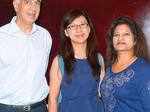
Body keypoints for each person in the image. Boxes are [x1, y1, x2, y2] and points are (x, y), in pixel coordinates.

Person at [0, 0, 52, 112]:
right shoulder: (2, 36)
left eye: (37, 2)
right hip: (6, 108)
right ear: (16, 5)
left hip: (39, 108)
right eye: (28, 2)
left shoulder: (45, 36)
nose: (33, 7)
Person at [49, 9, 104, 112]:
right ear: (66, 32)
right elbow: (53, 99)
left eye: (83, 24)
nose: (79, 29)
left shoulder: (98, 59)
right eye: (73, 26)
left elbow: (102, 93)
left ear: (89, 29)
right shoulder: (59, 61)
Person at [100, 16, 150, 112]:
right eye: (116, 35)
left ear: (135, 40)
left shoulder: (144, 70)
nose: (120, 38)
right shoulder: (108, 68)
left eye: (126, 34)